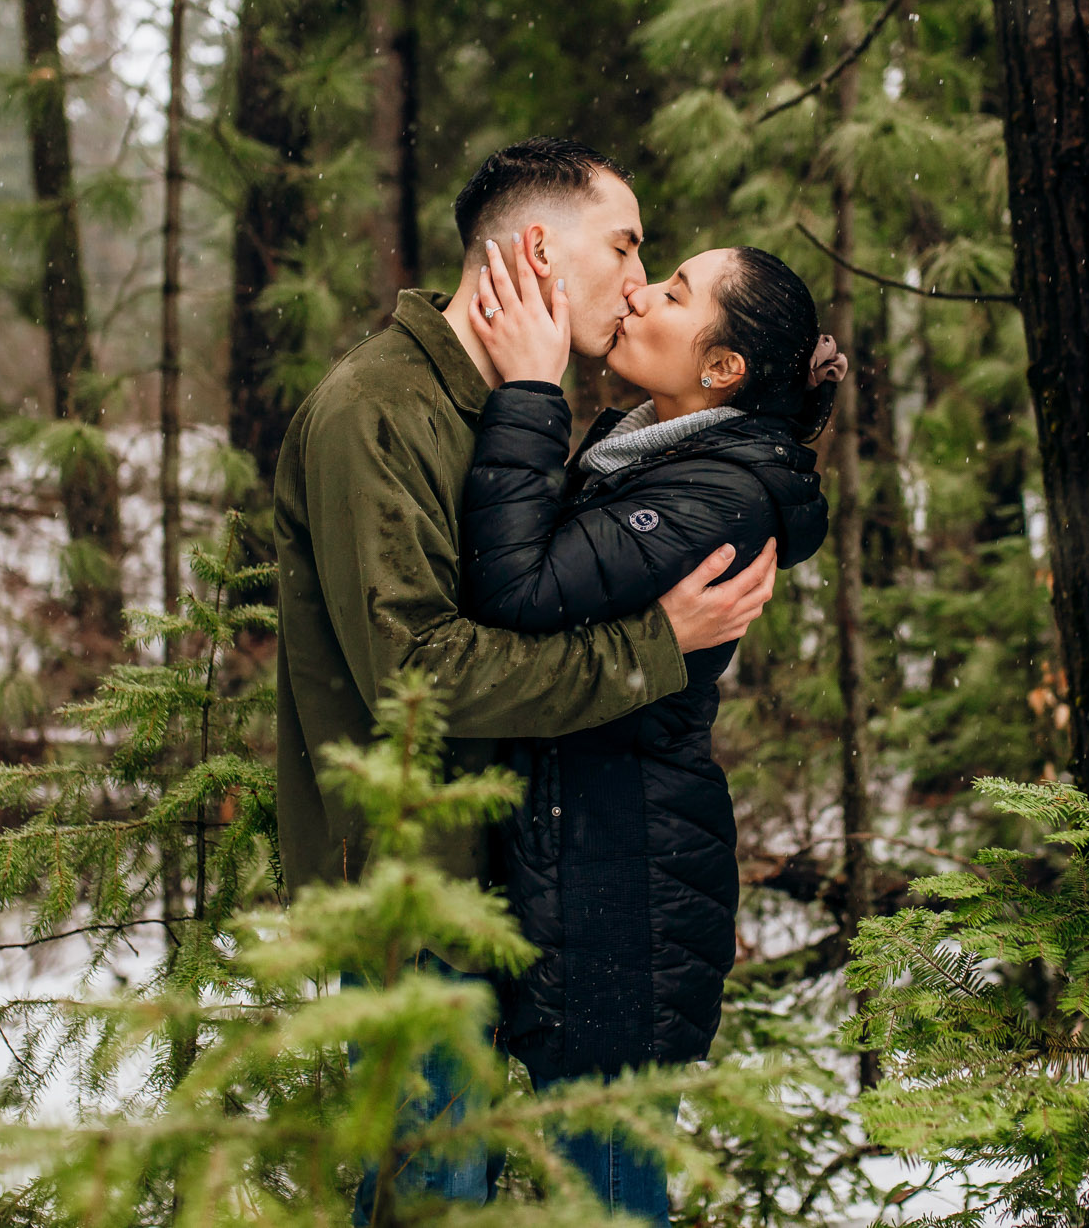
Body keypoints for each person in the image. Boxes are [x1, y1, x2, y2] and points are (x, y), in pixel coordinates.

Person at [271, 137, 781, 1225]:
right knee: (434, 1198)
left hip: (518, 886)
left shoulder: (513, 403)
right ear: (541, 249)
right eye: (626, 247)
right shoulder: (374, 410)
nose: (639, 283)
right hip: (410, 894)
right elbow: (420, 673)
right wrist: (654, 644)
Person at [461, 236, 841, 1224]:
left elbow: (519, 586)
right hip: (594, 854)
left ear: (720, 371)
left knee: (604, 1187)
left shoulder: (714, 492)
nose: (638, 294)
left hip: (624, 889)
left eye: (673, 292)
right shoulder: (649, 450)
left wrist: (529, 393)